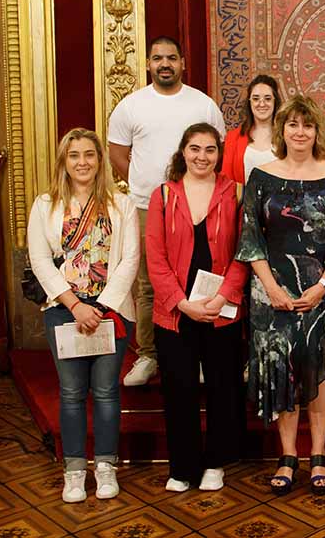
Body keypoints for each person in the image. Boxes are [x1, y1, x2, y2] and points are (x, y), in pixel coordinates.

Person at [236, 95, 325, 497]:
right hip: (272, 294)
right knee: (283, 372)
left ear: (317, 132)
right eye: (292, 125)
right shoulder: (261, 177)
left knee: (316, 372)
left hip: (323, 293)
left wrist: (322, 287)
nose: (299, 132)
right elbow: (250, 239)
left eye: (307, 125)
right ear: (282, 131)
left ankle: (318, 454)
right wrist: (272, 290)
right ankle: (288, 456)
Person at [27, 128, 140, 503]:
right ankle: (75, 470)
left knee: (107, 392)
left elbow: (129, 260)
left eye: (89, 154)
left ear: (100, 159)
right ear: (64, 161)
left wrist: (102, 306)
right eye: (74, 155)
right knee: (72, 392)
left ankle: (106, 465)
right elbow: (40, 260)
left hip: (110, 311)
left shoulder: (120, 203)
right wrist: (75, 305)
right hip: (64, 311)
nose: (82, 162)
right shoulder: (46, 204)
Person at [108, 35, 226, 387]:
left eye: (171, 58)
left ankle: (201, 354)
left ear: (182, 63)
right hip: (148, 206)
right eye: (157, 58)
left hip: (198, 205)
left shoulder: (203, 105)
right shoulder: (131, 106)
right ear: (147, 64)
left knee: (200, 278)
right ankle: (149, 356)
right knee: (149, 284)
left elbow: (215, 150)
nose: (164, 64)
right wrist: (151, 189)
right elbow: (117, 154)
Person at [146, 123, 249, 492]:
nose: (202, 156)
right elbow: (155, 259)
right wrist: (182, 303)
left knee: (223, 387)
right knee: (179, 388)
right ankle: (183, 467)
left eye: (209, 149)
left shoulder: (235, 193)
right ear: (183, 151)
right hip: (176, 313)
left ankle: (216, 462)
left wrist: (223, 297)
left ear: (219, 154)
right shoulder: (163, 195)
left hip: (221, 309)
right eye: (195, 148)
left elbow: (244, 252)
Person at [221, 74, 282, 184]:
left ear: (275, 101)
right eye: (256, 99)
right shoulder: (233, 137)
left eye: (267, 98)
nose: (261, 103)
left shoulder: (287, 135)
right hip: (244, 201)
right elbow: (226, 182)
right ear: (249, 102)